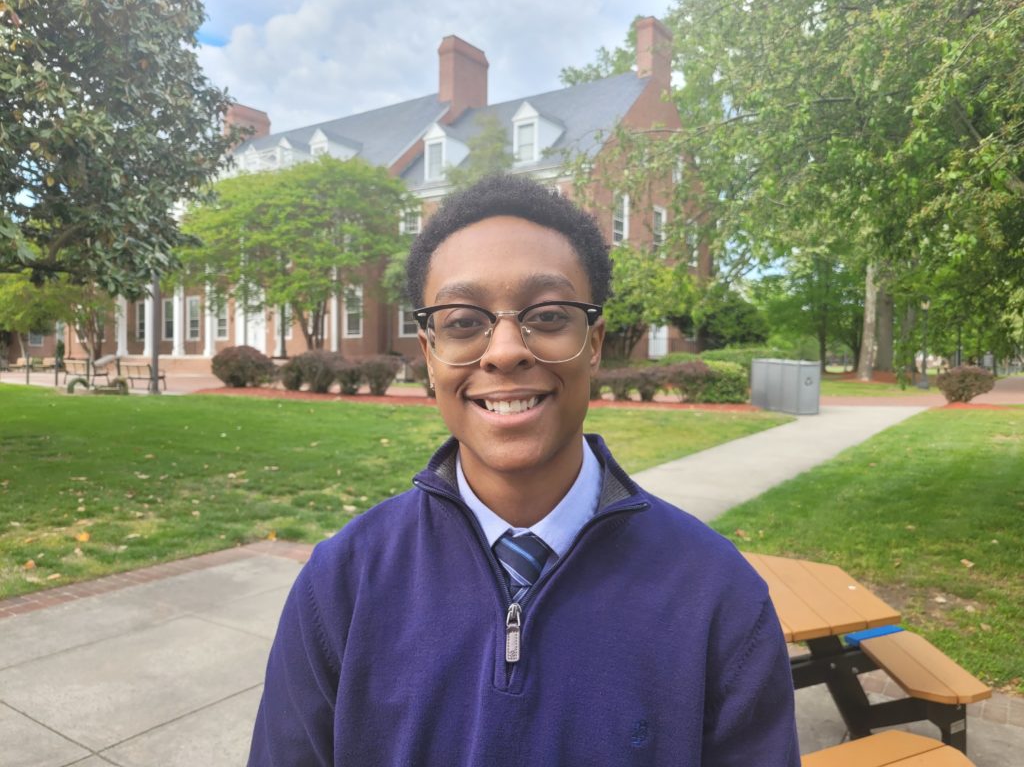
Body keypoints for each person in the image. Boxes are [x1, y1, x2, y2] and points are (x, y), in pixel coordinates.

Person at [248, 174, 800, 766]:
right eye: (463, 321)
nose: (506, 349)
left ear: (594, 342)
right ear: (428, 354)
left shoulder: (718, 598)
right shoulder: (342, 587)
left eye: (548, 315)